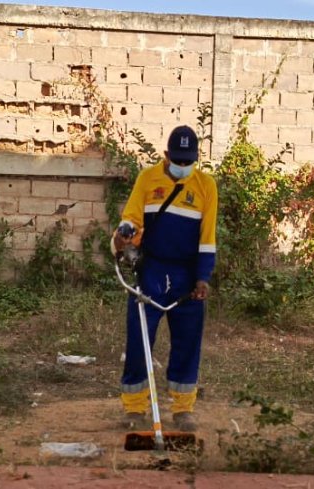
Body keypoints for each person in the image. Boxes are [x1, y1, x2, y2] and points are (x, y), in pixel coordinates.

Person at [111, 125, 218, 432]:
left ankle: (183, 409)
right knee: (139, 339)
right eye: (178, 160)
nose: (183, 167)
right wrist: (125, 235)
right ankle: (135, 408)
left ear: (196, 158)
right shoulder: (148, 179)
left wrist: (203, 277)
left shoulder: (206, 186)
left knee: (187, 343)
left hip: (187, 275)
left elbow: (207, 237)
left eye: (189, 161)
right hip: (153, 271)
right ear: (167, 155)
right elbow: (131, 217)